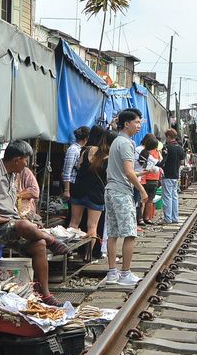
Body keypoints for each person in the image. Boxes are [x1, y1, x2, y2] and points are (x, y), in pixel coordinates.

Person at [0, 141, 70, 306]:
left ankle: (46, 295)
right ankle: (53, 241)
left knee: (39, 244)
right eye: (25, 160)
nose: (27, 164)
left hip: (5, 224)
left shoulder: (12, 175)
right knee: (23, 226)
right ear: (16, 159)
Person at [105, 109, 148, 286]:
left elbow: (125, 171)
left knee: (113, 233)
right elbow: (129, 172)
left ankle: (112, 273)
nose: (138, 126)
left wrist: (141, 173)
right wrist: (142, 190)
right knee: (130, 234)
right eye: (136, 122)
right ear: (126, 124)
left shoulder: (117, 141)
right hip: (121, 192)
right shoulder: (127, 143)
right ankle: (125, 274)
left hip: (110, 190)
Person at [69, 125, 107, 260]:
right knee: (92, 226)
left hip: (79, 190)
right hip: (96, 194)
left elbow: (78, 166)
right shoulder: (105, 154)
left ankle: (69, 252)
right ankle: (87, 256)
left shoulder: (84, 151)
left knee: (74, 223)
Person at [158, 129, 185, 224]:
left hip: (167, 175)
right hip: (176, 175)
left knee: (167, 197)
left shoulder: (166, 148)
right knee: (174, 197)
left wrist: (156, 165)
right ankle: (175, 218)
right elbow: (182, 162)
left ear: (169, 137)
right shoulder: (180, 148)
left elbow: (163, 161)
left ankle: (167, 218)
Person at [135, 134, 161, 226]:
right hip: (138, 179)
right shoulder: (141, 150)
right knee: (141, 201)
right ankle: (139, 220)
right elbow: (154, 164)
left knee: (142, 200)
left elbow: (155, 164)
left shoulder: (142, 150)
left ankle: (140, 219)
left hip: (141, 178)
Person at [62, 126, 90, 203]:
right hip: (73, 184)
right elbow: (67, 171)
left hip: (78, 183)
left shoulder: (81, 149)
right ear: (86, 138)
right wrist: (67, 190)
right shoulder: (73, 149)